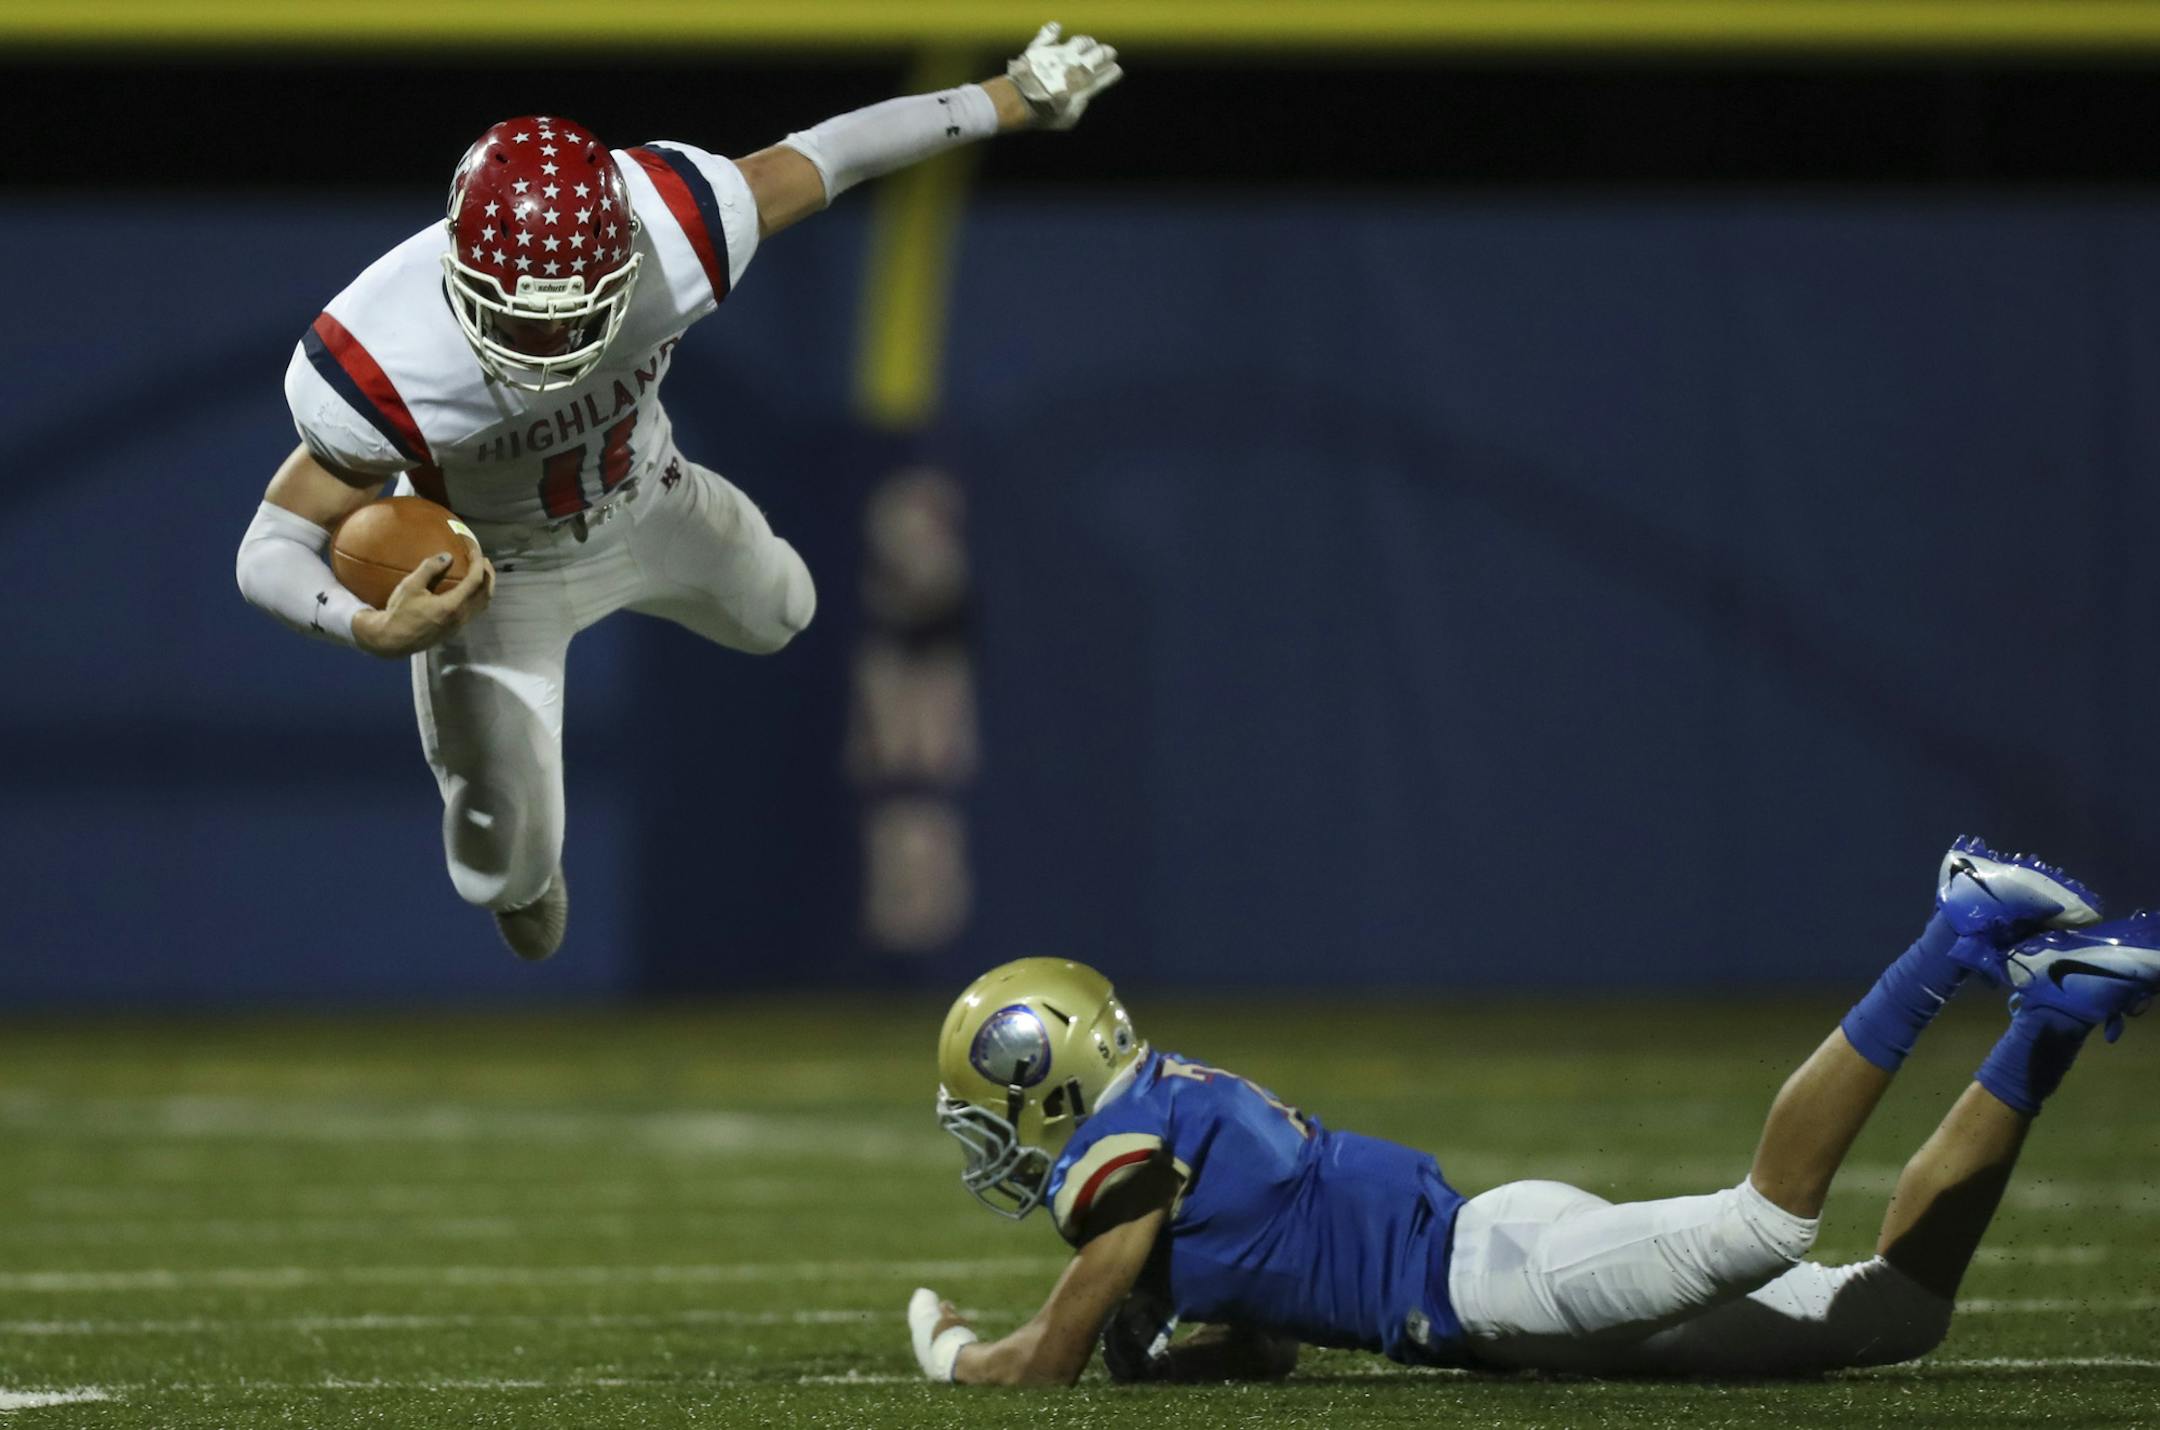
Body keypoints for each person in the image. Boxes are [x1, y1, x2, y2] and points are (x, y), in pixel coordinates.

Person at [234, 26, 1121, 959]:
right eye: (524, 321)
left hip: (651, 498)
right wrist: (366, 627)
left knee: (786, 609)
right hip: (498, 574)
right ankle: (523, 875)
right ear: (460, 277)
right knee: (509, 872)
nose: (553, 346)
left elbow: (836, 151)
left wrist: (1012, 94)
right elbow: (268, 546)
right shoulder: (383, 359)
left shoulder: (680, 224)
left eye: (580, 311)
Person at [906, 837, 2159, 1385]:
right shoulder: (1178, 1104)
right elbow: (1264, 1330)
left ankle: (1959, 926)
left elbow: (1043, 1362)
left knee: (1765, 1224)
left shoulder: (1118, 1157)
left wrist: (958, 1350)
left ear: (1047, 1073)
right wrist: (1173, 1342)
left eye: (992, 1106)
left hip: (1494, 1282)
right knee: (1892, 1315)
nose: (996, 1138)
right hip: (1499, 1265)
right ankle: (2048, 1018)